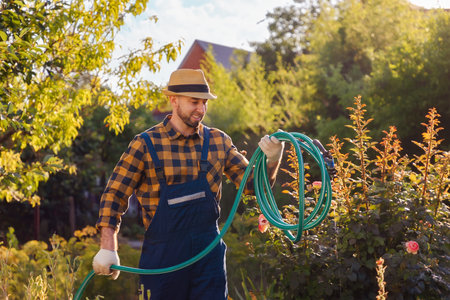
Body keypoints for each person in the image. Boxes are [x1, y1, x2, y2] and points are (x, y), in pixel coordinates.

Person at [92, 69, 284, 299]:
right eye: (194, 102)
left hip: (208, 257)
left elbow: (254, 186)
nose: (201, 110)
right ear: (174, 100)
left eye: (204, 103)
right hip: (162, 259)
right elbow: (115, 194)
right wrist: (108, 246)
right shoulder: (145, 144)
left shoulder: (218, 141)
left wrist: (272, 159)